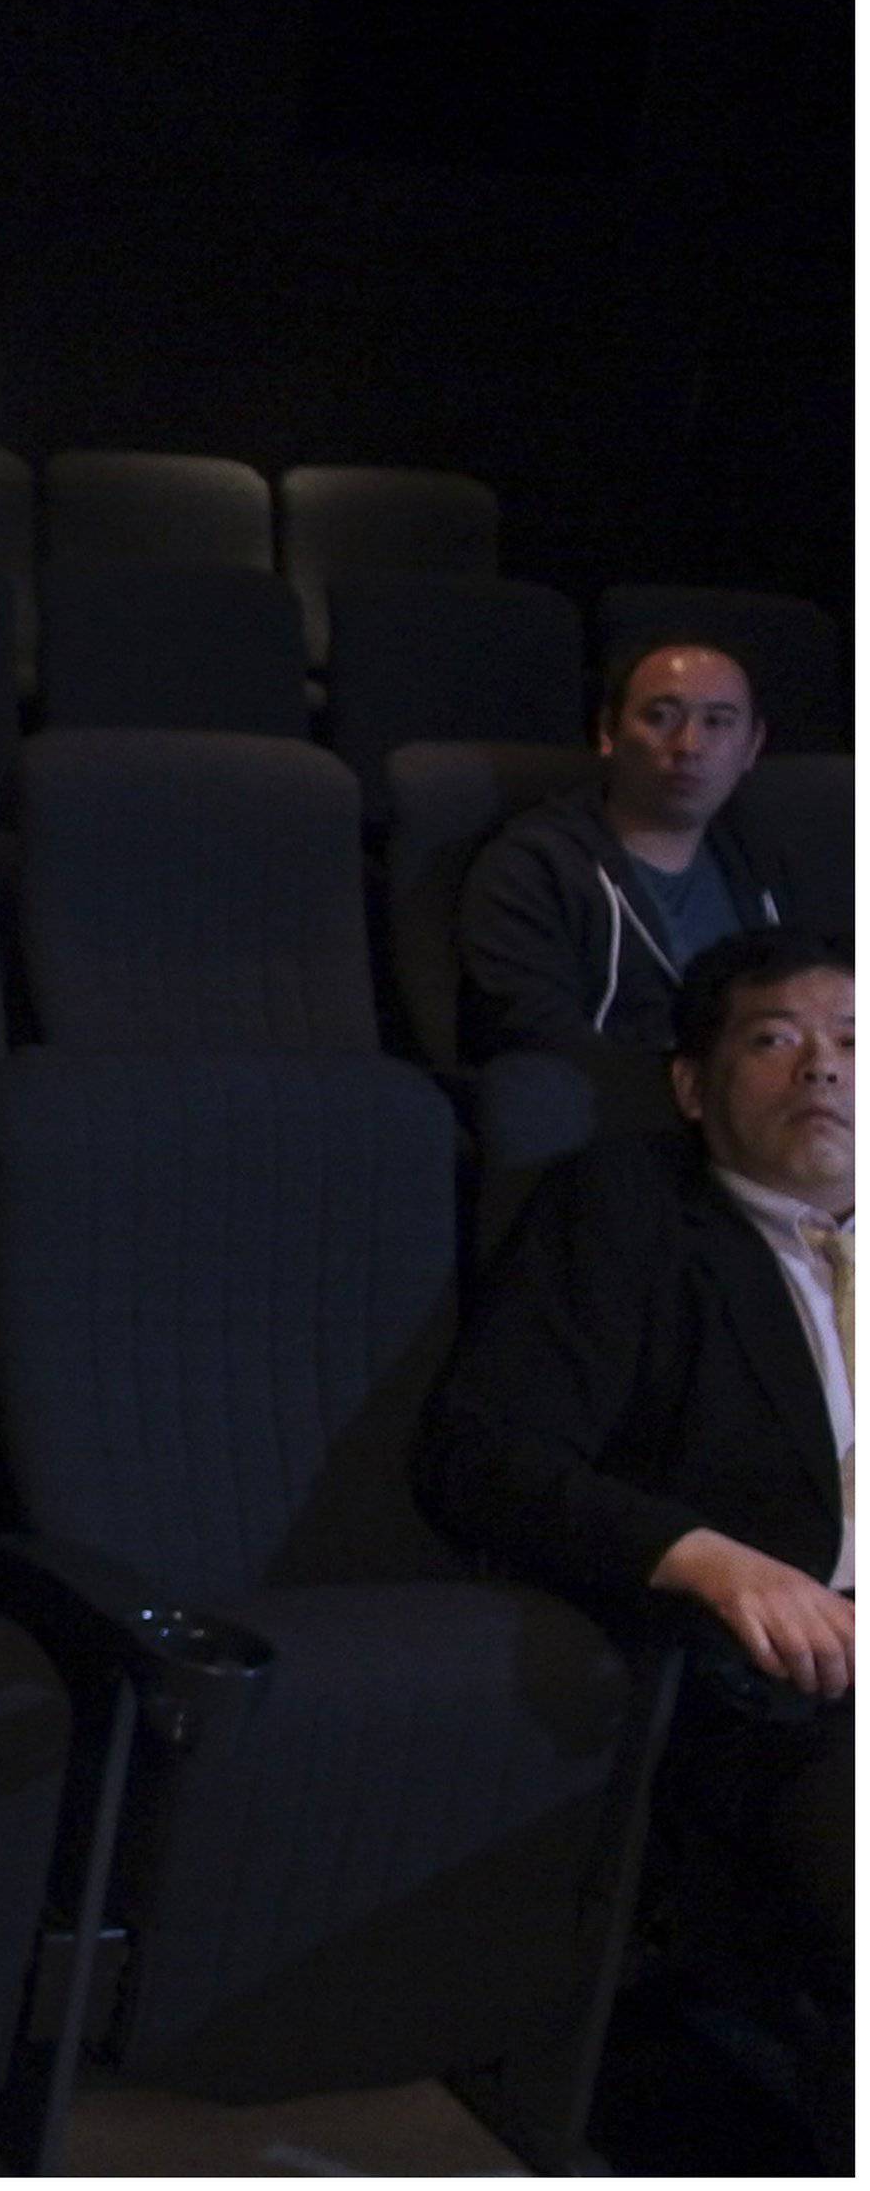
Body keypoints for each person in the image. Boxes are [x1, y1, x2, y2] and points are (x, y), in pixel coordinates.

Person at [415, 927, 853, 2168]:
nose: (822, 1066)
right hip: (774, 1689)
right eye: (773, 1038)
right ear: (689, 1083)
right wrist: (712, 1560)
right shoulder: (624, 1209)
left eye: (849, 1039)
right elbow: (486, 1453)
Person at [456, 638, 797, 1070]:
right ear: (608, 732)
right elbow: (534, 1038)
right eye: (659, 717)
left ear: (752, 745)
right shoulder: (534, 867)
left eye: (717, 722)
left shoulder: (756, 857)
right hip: (619, 1101)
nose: (688, 745)